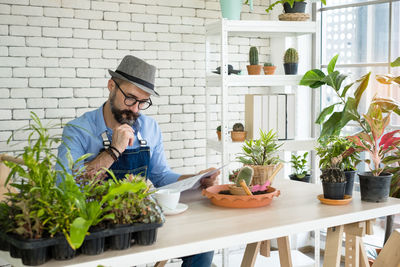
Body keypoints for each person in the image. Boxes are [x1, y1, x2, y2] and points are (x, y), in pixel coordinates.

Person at [57, 55, 218, 267]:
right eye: (130, 98)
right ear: (111, 86)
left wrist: (197, 179)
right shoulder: (78, 130)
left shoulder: (150, 128)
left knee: (203, 246)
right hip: (95, 230)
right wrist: (113, 151)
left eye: (143, 102)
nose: (135, 109)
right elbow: (65, 187)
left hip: (140, 223)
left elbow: (160, 176)